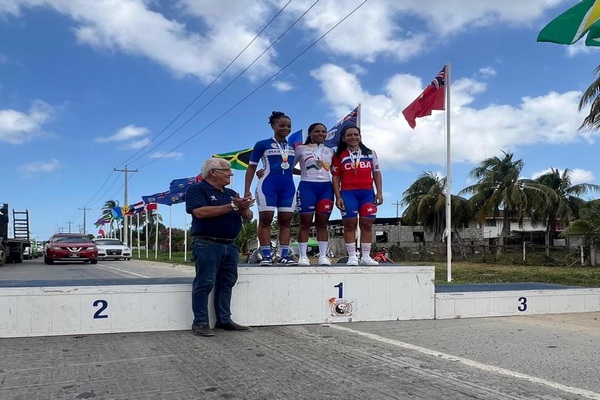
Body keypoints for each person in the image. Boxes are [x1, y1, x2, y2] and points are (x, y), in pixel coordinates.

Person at [186, 158, 254, 337]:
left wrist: (244, 208)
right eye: (227, 170)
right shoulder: (197, 189)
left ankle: (224, 319)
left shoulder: (231, 193)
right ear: (213, 172)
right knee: (205, 282)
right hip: (207, 244)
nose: (231, 173)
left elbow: (248, 217)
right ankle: (200, 323)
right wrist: (233, 205)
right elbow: (200, 212)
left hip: (230, 245)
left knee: (227, 283)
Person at [244, 111, 297, 265]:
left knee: (286, 222)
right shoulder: (262, 144)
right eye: (281, 125)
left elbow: (292, 168)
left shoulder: (293, 146)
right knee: (265, 220)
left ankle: (284, 256)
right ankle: (266, 255)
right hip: (267, 185)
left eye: (288, 126)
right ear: (273, 125)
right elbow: (252, 167)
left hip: (288, 187)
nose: (285, 128)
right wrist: (247, 190)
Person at [331, 125, 383, 266]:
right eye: (349, 135)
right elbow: (335, 177)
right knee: (350, 225)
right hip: (348, 193)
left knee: (367, 224)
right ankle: (352, 256)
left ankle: (366, 256)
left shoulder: (371, 153)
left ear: (360, 136)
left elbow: (377, 173)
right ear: (344, 138)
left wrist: (379, 192)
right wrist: (338, 196)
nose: (353, 137)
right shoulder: (338, 155)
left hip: (367, 193)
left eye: (356, 134)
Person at [294, 122, 335, 266]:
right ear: (310, 133)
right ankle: (303, 256)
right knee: (305, 223)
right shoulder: (300, 149)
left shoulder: (330, 151)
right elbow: (287, 168)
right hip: (307, 186)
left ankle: (323, 256)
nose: (320, 134)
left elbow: (335, 173)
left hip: (326, 188)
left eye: (323, 132)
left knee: (322, 223)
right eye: (317, 131)